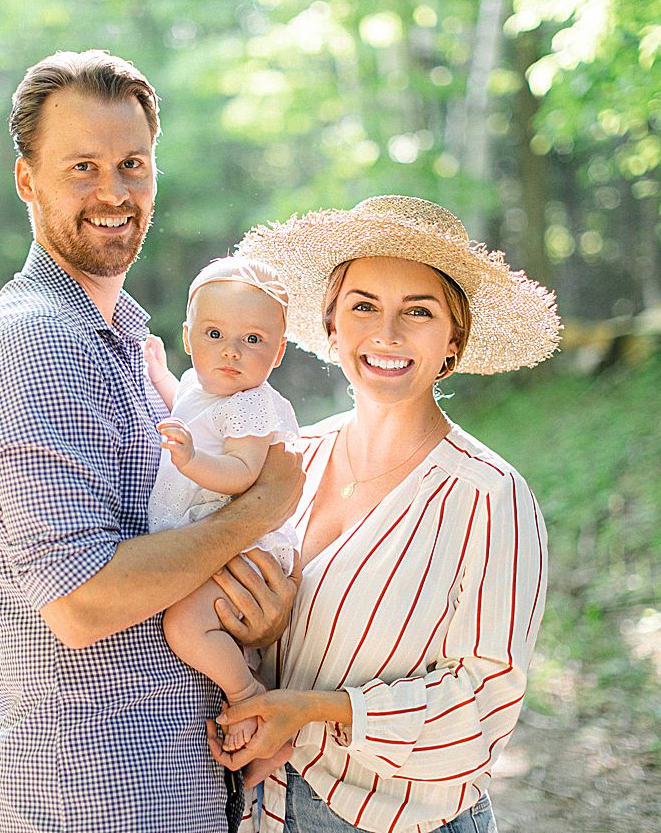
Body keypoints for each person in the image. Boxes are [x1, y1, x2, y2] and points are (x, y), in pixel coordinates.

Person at [0, 50, 304, 832]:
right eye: (82, 167)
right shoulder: (35, 343)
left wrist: (256, 614)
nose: (113, 192)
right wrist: (261, 508)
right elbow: (82, 600)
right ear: (26, 180)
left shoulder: (135, 348)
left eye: (132, 164)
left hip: (183, 778)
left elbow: (178, 552)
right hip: (101, 793)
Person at [210, 195, 561, 833]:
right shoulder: (288, 458)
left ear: (454, 340)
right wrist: (259, 641)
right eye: (364, 306)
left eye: (418, 312)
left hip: (392, 819)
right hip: (261, 810)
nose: (387, 334)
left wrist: (316, 710)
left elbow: (482, 704)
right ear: (333, 326)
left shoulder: (488, 496)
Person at [145, 256, 302, 753]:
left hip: (242, 542)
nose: (230, 351)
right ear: (188, 338)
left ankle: (244, 691)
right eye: (214, 335)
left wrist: (189, 458)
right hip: (208, 533)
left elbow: (241, 472)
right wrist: (158, 373)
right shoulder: (200, 383)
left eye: (252, 340)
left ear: (276, 353)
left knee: (184, 625)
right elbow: (185, 405)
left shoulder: (252, 404)